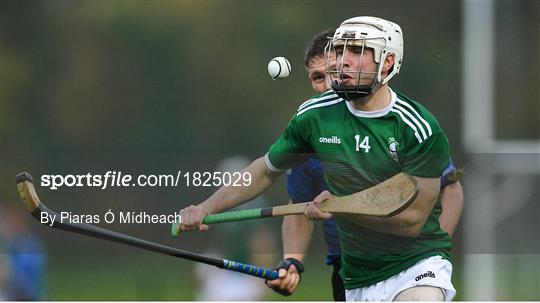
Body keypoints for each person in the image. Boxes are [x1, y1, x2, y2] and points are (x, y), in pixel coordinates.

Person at [178, 16, 457, 301]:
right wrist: (206, 207)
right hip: (356, 274)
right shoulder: (314, 116)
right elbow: (265, 171)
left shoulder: (417, 126)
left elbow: (413, 220)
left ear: (387, 62)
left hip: (416, 266)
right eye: (339, 51)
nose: (342, 61)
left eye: (357, 51)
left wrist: (340, 205)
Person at [273, 28, 464, 300]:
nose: (328, 83)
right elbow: (297, 206)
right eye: (318, 77)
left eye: (333, 71)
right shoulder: (309, 129)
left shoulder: (399, 125)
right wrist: (292, 262)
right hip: (348, 268)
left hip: (408, 262)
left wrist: (427, 251)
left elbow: (451, 188)